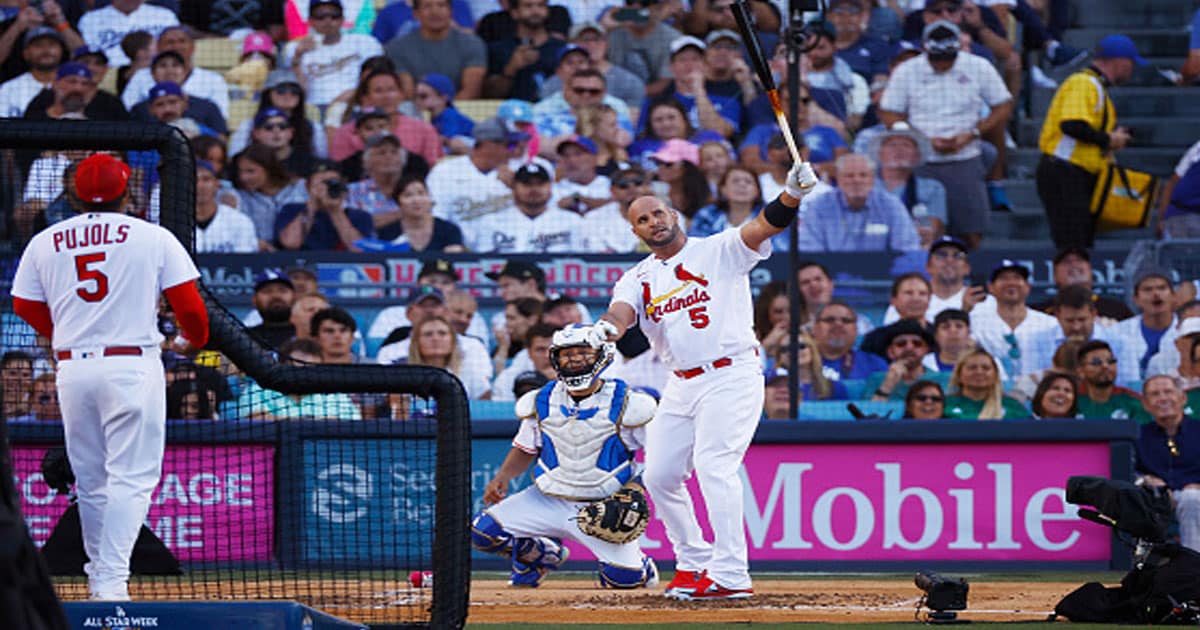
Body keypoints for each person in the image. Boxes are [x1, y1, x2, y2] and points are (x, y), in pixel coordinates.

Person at [589, 159, 818, 599]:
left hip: (731, 372)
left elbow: (762, 227)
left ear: (673, 214)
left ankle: (731, 574)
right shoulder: (638, 277)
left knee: (715, 467)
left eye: (657, 213)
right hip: (681, 383)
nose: (653, 222)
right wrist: (605, 330)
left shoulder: (717, 248)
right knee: (658, 475)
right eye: (642, 219)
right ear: (635, 232)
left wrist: (791, 195)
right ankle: (693, 561)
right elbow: (621, 313)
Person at [11, 153, 208, 601]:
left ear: (74, 194)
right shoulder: (152, 236)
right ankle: (111, 581)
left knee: (93, 478)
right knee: (131, 478)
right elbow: (191, 308)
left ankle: (101, 575)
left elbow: (23, 305)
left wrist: (62, 330)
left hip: (73, 368)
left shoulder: (46, 239)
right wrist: (188, 341)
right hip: (131, 363)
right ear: (128, 192)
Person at [471, 325, 659, 588]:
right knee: (483, 532)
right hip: (546, 499)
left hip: (602, 507)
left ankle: (642, 566)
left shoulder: (629, 401)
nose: (574, 360)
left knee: (622, 581)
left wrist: (635, 489)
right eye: (566, 354)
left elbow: (659, 457)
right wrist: (502, 477)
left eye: (583, 353)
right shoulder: (541, 399)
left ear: (602, 354)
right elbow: (526, 448)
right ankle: (542, 555)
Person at [879, 19, 1012, 249]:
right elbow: (889, 112)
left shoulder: (978, 66)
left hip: (965, 155)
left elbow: (1003, 105)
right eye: (936, 60)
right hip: (921, 159)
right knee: (921, 232)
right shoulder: (907, 71)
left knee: (971, 232)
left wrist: (973, 133)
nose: (942, 65)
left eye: (947, 60)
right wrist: (920, 138)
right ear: (924, 49)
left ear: (958, 48)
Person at [1036, 32, 1145, 249]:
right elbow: (1071, 125)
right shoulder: (1084, 83)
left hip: (1076, 173)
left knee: (1080, 241)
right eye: (1132, 63)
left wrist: (1113, 136)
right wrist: (1108, 139)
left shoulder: (1096, 87)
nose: (1132, 70)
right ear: (1121, 62)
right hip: (1065, 171)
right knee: (1072, 244)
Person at [796, 153, 922, 252]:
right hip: (830, 280)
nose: (856, 180)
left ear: (872, 179)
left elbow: (906, 248)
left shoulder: (892, 205)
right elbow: (810, 251)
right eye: (849, 176)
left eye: (863, 175)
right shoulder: (819, 207)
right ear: (838, 179)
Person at [1134, 375, 1200, 552]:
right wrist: (1147, 480)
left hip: (1194, 496)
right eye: (1155, 394)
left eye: (1168, 392)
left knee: (1191, 498)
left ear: (1183, 398)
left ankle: (1194, 563)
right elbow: (1128, 470)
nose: (1163, 398)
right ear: (1146, 404)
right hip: (1155, 498)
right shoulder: (1138, 435)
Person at [283, 0, 384, 110]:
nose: (328, 21)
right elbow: (298, 92)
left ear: (342, 19)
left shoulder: (364, 42)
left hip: (356, 105)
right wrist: (297, 58)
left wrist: (353, 94)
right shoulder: (295, 48)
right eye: (320, 17)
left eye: (334, 16)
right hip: (314, 108)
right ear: (310, 21)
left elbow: (378, 79)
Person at [468, 162, 587, 253]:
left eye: (540, 184)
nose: (534, 189)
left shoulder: (571, 221)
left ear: (551, 188)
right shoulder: (491, 222)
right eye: (527, 184)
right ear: (514, 188)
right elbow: (484, 263)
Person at [969, 259, 1058, 378]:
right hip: (992, 392)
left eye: (1017, 278)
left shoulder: (1049, 324)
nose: (1011, 283)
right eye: (1003, 278)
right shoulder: (976, 322)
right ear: (990, 287)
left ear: (1027, 286)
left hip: (1039, 391)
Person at [120, 26, 230, 120]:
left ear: (193, 47)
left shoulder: (213, 79)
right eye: (170, 42)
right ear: (159, 47)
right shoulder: (141, 77)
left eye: (182, 41)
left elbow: (221, 116)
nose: (177, 47)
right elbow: (126, 111)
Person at [238, 338, 363, 420]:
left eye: (311, 369)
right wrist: (314, 421)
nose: (305, 376)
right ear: (281, 367)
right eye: (298, 369)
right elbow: (255, 421)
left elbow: (352, 426)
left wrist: (284, 420)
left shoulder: (335, 396)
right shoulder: (258, 390)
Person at [384, 0, 486, 99]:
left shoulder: (472, 44)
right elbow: (408, 93)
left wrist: (444, 112)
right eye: (427, 6)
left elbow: (471, 91)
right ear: (415, 13)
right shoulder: (397, 48)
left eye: (441, 5)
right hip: (416, 111)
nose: (435, 12)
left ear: (451, 11)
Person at [869, 124, 948, 248]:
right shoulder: (865, 186)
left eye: (906, 145)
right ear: (880, 154)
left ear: (917, 156)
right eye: (892, 145)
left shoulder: (932, 188)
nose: (899, 150)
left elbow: (930, 232)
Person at [275, 159, 375, 251]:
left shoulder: (360, 216)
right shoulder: (292, 209)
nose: (327, 188)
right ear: (308, 186)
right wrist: (312, 205)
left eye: (333, 182)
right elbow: (291, 243)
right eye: (322, 183)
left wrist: (335, 211)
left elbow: (360, 250)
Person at [229, 69, 328, 159]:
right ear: (268, 93)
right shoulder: (248, 126)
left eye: (295, 91)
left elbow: (323, 159)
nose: (288, 95)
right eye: (281, 90)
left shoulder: (313, 128)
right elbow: (235, 158)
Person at [482, 0, 567, 101]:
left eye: (541, 5)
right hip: (512, 114)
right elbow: (489, 95)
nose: (535, 11)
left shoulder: (562, 49)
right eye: (528, 6)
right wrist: (511, 68)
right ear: (514, 13)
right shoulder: (497, 50)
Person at [231, 143, 308, 250]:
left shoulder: (300, 189)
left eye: (250, 171)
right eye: (240, 171)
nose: (243, 177)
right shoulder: (240, 196)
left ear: (269, 169)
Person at [1030, 247, 1134, 323]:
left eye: (1080, 260)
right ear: (1054, 276)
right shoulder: (1038, 314)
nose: (1074, 265)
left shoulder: (1118, 310)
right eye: (1066, 262)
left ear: (1091, 271)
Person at [1110, 271, 1179, 379]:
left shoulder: (1187, 331)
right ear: (1136, 299)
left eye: (1162, 288)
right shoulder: (1117, 332)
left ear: (1174, 296)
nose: (1156, 294)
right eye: (1148, 289)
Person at [406, 316, 492, 399]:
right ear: (416, 342)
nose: (435, 338)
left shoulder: (470, 372)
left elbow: (485, 405)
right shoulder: (404, 376)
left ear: (453, 341)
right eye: (428, 334)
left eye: (442, 333)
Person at [78, 0, 179, 66]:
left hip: (157, 71)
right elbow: (89, 55)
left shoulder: (165, 16)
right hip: (110, 74)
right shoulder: (91, 19)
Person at [1073, 340, 1150, 422]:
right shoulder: (1071, 402)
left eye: (1111, 361)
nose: (1105, 366)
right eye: (1096, 362)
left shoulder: (1134, 402)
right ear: (1080, 372)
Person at [584, 164, 656, 253]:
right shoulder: (594, 218)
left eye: (638, 183)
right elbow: (596, 254)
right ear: (613, 190)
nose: (632, 189)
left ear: (647, 187)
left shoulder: (670, 216)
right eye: (623, 185)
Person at [866, 320, 943, 401]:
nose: (909, 348)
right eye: (901, 344)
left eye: (917, 343)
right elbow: (868, 412)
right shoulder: (876, 380)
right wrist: (887, 386)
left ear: (926, 350)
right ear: (890, 352)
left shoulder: (942, 380)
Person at [0, 26, 67, 118]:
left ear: (61, 50)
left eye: (51, 44)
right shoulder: (9, 88)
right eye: (38, 45)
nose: (46, 50)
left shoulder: (75, 85)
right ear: (26, 53)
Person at [861, 272, 933, 357]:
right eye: (909, 293)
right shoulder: (874, 339)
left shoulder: (941, 336)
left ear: (929, 300)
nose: (916, 299)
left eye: (922, 294)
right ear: (893, 300)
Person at [944, 349, 1028, 420]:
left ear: (996, 375)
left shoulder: (1013, 406)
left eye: (986, 368)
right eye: (972, 368)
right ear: (959, 374)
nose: (979, 372)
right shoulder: (945, 405)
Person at [194, 160, 257, 253]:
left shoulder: (239, 221)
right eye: (193, 180)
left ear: (217, 184)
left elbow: (246, 263)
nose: (199, 186)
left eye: (206, 179)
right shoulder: (172, 222)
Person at [796, 261, 873, 333]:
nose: (813, 285)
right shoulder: (794, 327)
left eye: (818, 279)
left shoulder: (860, 323)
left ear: (831, 284)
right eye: (805, 282)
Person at [775, 330, 849, 402]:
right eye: (785, 349)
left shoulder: (834, 387)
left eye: (801, 346)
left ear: (812, 350)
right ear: (779, 357)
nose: (793, 352)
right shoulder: (769, 387)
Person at [491, 323, 558, 402]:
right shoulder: (507, 379)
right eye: (540, 350)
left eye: (553, 350)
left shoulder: (572, 376)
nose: (547, 356)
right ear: (529, 353)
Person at [246, 269, 297, 348]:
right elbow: (219, 359)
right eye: (267, 291)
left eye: (283, 290)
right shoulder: (242, 338)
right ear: (254, 300)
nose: (276, 295)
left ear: (295, 298)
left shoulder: (310, 336)